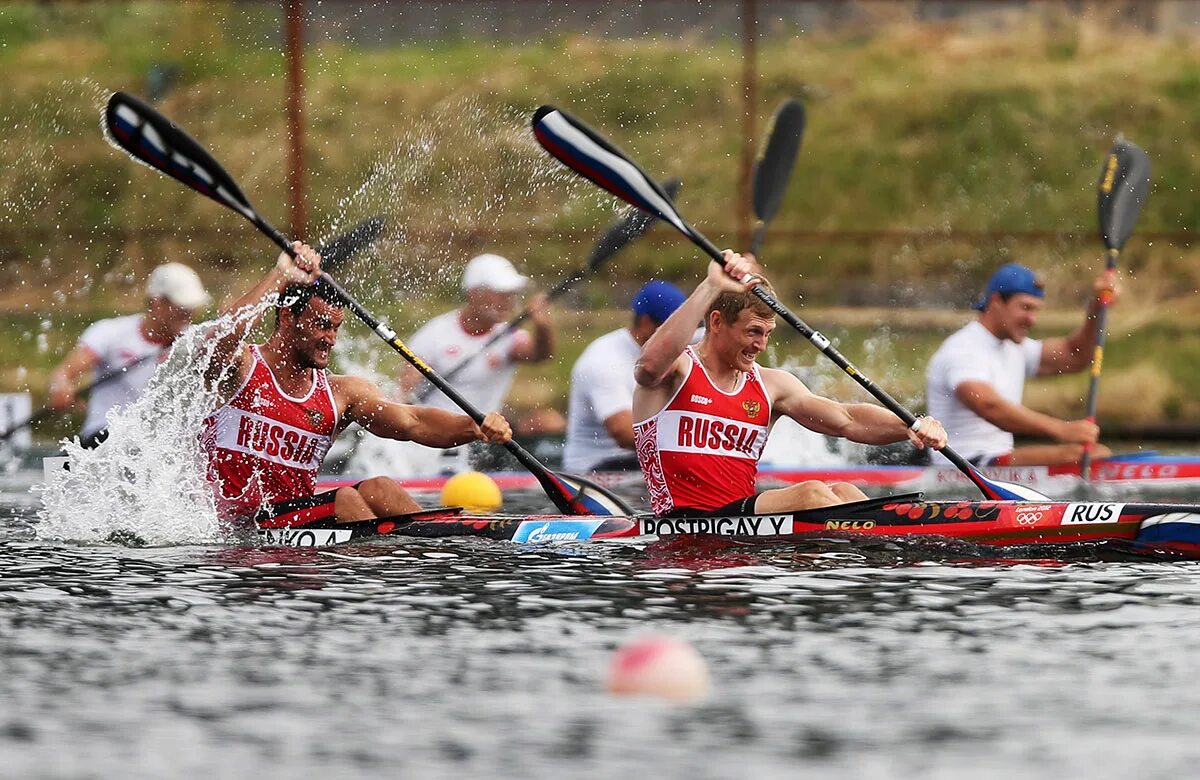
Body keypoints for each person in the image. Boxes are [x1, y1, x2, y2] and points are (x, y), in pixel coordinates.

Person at [199, 243, 513, 527]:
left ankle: (433, 552)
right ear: (286, 319)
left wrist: (474, 427)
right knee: (345, 499)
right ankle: (389, 571)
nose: (330, 340)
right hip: (234, 524)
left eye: (336, 329)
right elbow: (222, 335)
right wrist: (280, 275)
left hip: (293, 521)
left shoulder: (341, 394)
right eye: (322, 326)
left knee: (381, 488)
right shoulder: (240, 368)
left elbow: (413, 422)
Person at [633, 251, 947, 517]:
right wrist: (711, 285)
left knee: (845, 490)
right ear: (716, 323)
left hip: (738, 532)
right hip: (683, 522)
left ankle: (891, 545)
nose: (761, 346)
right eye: (753, 332)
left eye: (767, 334)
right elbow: (646, 367)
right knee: (811, 494)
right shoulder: (675, 372)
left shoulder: (772, 386)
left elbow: (847, 420)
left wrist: (910, 424)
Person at [926, 262, 1119, 467]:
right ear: (996, 302)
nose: (1032, 319)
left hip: (993, 461)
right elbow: (987, 405)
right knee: (1088, 457)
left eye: (1035, 310)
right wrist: (1061, 429)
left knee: (1095, 454)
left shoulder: (1015, 348)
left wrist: (1096, 308)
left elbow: (1075, 356)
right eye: (1026, 307)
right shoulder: (963, 348)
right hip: (961, 464)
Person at [48, 262, 211, 447]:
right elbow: (64, 373)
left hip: (161, 444)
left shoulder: (197, 342)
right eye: (181, 307)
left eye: (191, 308)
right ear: (156, 302)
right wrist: (60, 386)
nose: (187, 314)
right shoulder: (110, 332)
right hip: (104, 437)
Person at [398, 253, 555, 415]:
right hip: (432, 434)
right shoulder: (434, 334)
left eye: (511, 293)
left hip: (482, 435)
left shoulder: (511, 335)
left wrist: (543, 328)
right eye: (500, 293)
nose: (508, 300)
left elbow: (541, 355)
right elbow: (404, 392)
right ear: (473, 294)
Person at [562, 280, 687, 473]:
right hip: (598, 470)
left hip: (644, 465)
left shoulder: (678, 340)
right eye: (676, 327)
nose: (685, 335)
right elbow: (625, 433)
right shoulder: (603, 359)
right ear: (646, 324)